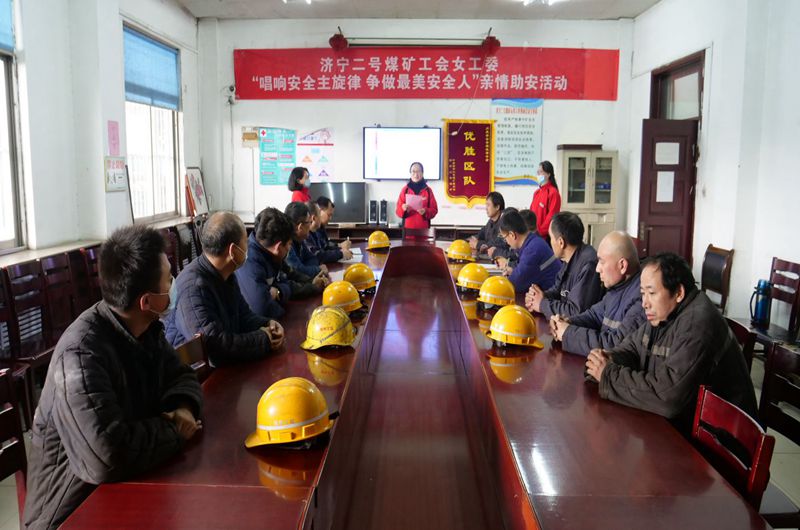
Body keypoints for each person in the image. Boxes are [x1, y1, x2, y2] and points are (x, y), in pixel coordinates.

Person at [23, 226, 204, 529]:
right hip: (72, 511)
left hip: (132, 486)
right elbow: (106, 456)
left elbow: (181, 375)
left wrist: (183, 407)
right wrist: (174, 430)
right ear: (147, 301)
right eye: (168, 279)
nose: (174, 282)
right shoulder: (81, 355)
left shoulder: (145, 328)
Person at [585, 253, 758, 433]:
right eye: (642, 293)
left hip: (717, 440)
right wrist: (606, 360)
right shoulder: (664, 313)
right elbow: (633, 349)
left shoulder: (698, 324)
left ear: (678, 293)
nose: (644, 303)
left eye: (652, 293)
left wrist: (608, 375)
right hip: (683, 426)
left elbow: (667, 397)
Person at [164, 211, 285, 366]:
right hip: (199, 375)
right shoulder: (193, 288)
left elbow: (244, 316)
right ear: (233, 250)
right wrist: (264, 339)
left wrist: (269, 324)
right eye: (246, 242)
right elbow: (216, 348)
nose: (249, 246)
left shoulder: (226, 274)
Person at [551, 231, 645, 356]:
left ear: (622, 265)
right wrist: (567, 322)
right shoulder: (618, 287)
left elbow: (615, 345)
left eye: (602, 262)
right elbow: (594, 316)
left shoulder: (643, 297)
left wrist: (568, 333)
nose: (597, 269)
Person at [236, 208, 329, 319]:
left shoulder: (270, 252)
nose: (290, 248)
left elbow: (291, 274)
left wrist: (312, 283)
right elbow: (263, 309)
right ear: (278, 247)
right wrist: (282, 293)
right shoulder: (250, 260)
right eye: (289, 244)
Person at [526, 212, 603, 319]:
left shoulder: (588, 264)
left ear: (561, 242)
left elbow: (576, 311)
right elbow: (558, 291)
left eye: (550, 237)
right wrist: (539, 297)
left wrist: (542, 305)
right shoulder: (569, 258)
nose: (550, 242)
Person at [497, 209, 561, 293]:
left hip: (553, 296)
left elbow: (514, 284)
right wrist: (514, 271)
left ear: (512, 235)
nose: (507, 242)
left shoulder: (533, 249)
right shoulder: (533, 241)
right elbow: (525, 271)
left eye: (504, 238)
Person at [285, 201, 330, 280]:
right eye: (309, 222)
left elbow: (312, 258)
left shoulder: (300, 240)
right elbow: (298, 271)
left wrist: (307, 269)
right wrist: (318, 269)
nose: (311, 225)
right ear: (300, 227)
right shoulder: (286, 244)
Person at [308, 197, 353, 263]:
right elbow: (318, 255)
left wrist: (340, 250)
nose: (330, 218)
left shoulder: (318, 229)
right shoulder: (308, 233)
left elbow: (324, 247)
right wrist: (340, 252)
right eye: (329, 215)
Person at [395, 161, 438, 229]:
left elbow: (434, 210)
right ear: (410, 173)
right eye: (413, 171)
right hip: (407, 230)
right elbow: (398, 211)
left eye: (418, 171)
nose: (416, 174)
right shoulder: (405, 190)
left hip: (424, 230)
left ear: (422, 173)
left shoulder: (428, 190)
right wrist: (403, 209)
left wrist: (425, 211)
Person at [469, 191, 509, 259]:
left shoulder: (505, 220)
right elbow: (482, 233)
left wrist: (478, 244)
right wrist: (475, 238)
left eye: (488, 205)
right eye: (486, 205)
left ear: (497, 207)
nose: (486, 208)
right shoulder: (491, 220)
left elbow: (500, 243)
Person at [529, 160, 561, 241]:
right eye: (537, 172)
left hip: (545, 237)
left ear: (548, 174)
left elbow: (552, 216)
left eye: (541, 172)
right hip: (533, 234)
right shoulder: (537, 193)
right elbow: (531, 213)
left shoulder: (553, 193)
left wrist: (539, 232)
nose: (538, 174)